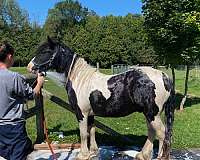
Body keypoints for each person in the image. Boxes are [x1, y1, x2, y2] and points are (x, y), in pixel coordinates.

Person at [0, 42, 44, 160]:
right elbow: (31, 95)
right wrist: (39, 83)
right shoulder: (14, 77)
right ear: (9, 56)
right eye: (13, 56)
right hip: (13, 128)